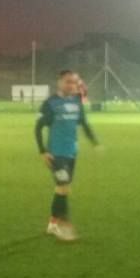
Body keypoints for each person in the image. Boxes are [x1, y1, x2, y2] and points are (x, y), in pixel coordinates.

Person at [35, 70, 100, 242]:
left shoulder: (77, 102)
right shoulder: (50, 103)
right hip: (56, 154)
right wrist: (43, 151)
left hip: (71, 152)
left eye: (74, 82)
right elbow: (38, 127)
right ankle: (64, 225)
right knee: (63, 187)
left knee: (61, 188)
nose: (72, 85)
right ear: (60, 82)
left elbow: (84, 123)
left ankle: (52, 224)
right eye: (68, 81)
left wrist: (94, 142)